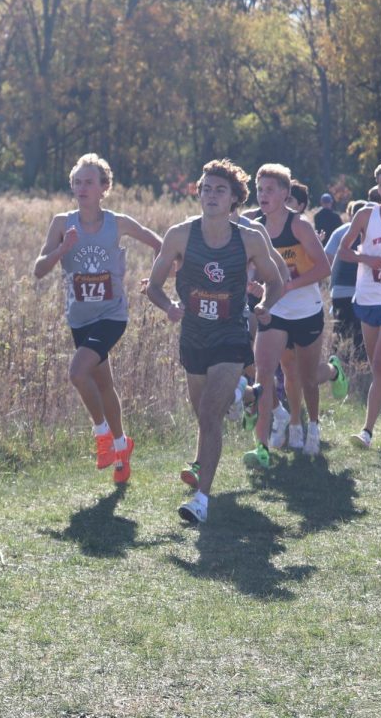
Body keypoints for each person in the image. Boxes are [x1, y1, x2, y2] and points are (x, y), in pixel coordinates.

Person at [145, 159, 283, 523]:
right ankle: (249, 393)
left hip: (230, 334)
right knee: (206, 416)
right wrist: (169, 307)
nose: (210, 195)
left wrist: (265, 306)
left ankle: (201, 500)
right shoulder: (180, 235)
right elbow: (154, 286)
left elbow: (277, 279)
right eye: (205, 188)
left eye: (219, 190)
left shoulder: (249, 239)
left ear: (235, 198)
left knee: (209, 414)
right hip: (193, 336)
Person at [33, 153, 162, 483]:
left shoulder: (117, 222)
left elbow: (161, 244)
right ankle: (122, 448)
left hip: (111, 314)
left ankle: (102, 436)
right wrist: (63, 249)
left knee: (78, 372)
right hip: (79, 318)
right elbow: (38, 270)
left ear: (105, 187)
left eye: (89, 182)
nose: (81, 188)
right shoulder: (62, 223)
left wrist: (157, 279)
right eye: (76, 182)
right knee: (104, 384)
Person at [246, 164, 346, 462]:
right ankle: (272, 433)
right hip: (274, 309)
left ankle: (312, 426)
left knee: (304, 377)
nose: (263, 195)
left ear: (285, 194)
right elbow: (255, 266)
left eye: (270, 190)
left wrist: (291, 285)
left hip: (306, 310)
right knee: (266, 372)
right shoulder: (256, 227)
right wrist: (255, 285)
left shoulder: (299, 225)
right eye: (260, 189)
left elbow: (324, 267)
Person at [339, 161, 381, 450]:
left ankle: (367, 430)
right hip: (367, 297)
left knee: (379, 363)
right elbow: (343, 251)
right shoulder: (366, 216)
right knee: (376, 362)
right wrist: (367, 259)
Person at [325, 200, 367, 362]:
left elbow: (327, 259)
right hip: (365, 290)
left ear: (350, 214)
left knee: (340, 330)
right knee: (360, 332)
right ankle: (360, 364)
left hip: (341, 289)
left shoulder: (340, 232)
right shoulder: (372, 231)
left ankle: (335, 362)